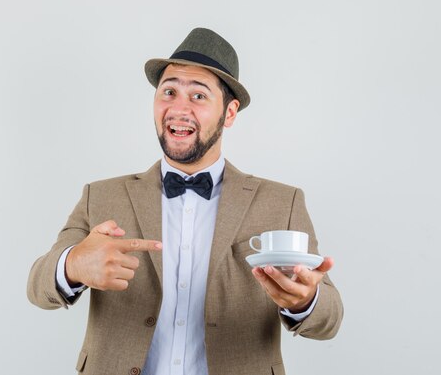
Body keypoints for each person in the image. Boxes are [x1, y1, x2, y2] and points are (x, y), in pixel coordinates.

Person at [27, 27, 343, 375]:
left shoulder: (283, 203)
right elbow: (37, 287)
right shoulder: (101, 196)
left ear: (230, 112)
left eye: (198, 96)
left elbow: (329, 319)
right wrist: (72, 265)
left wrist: (305, 300)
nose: (179, 108)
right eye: (169, 91)